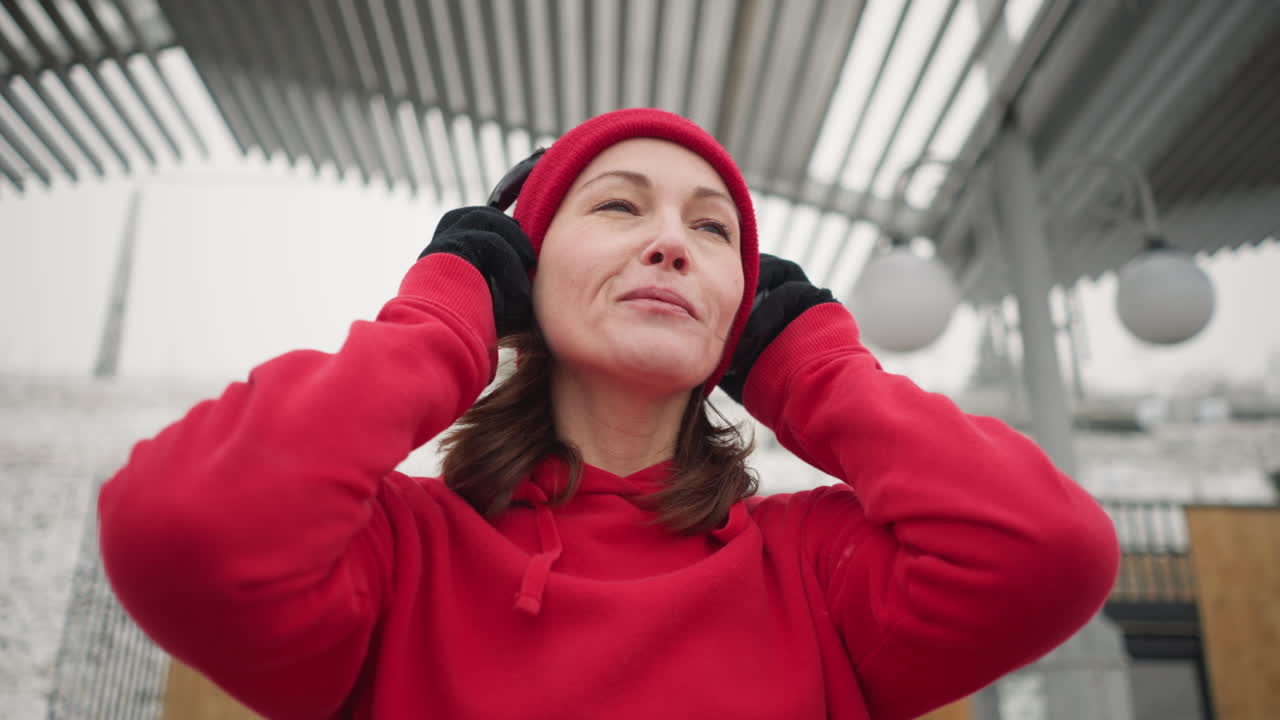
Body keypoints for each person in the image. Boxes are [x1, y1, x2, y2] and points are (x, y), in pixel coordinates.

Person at [99, 108, 1119, 720]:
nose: (671, 243)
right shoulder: (396, 558)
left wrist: (814, 365)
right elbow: (179, 529)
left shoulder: (815, 573)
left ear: (743, 308)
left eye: (711, 230)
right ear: (522, 273)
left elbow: (1049, 549)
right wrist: (442, 314)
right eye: (619, 206)